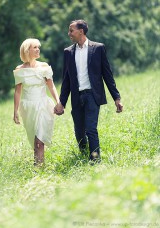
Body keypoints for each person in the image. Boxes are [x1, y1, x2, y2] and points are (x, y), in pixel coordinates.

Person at [54, 19, 123, 164]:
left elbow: (107, 74)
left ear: (81, 31)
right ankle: (84, 155)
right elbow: (66, 80)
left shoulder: (97, 48)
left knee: (91, 129)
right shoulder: (68, 52)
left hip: (92, 95)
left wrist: (116, 97)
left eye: (71, 30)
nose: (69, 34)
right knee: (79, 132)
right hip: (76, 97)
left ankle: (95, 161)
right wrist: (62, 102)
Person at [13, 38, 60, 166]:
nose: (38, 49)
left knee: (40, 140)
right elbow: (17, 91)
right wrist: (15, 112)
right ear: (27, 50)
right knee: (34, 139)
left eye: (38, 47)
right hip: (28, 107)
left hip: (43, 105)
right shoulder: (20, 69)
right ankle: (38, 167)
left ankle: (39, 168)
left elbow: (51, 86)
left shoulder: (44, 67)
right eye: (35, 47)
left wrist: (58, 102)